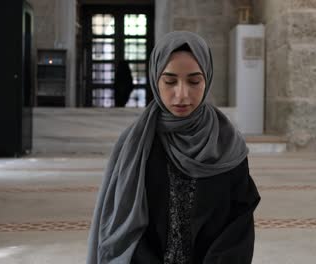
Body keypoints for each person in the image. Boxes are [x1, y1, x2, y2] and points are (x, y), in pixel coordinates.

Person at [86, 31, 261, 264]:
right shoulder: (136, 144)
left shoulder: (226, 142)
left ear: (207, 78)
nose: (182, 94)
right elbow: (123, 227)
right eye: (169, 81)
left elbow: (238, 221)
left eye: (194, 81)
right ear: (155, 79)